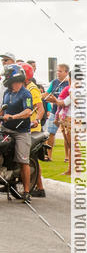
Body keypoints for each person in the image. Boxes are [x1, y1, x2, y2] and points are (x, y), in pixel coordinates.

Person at [1, 64, 33, 202]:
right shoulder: (7, 93)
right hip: (5, 128)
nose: (5, 77)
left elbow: (28, 111)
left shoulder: (25, 93)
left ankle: (26, 191)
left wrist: (13, 117)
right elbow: (3, 110)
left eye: (7, 74)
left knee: (22, 160)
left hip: (21, 132)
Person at [21, 63, 46, 197]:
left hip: (32, 128)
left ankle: (40, 188)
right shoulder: (21, 88)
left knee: (30, 158)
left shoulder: (32, 89)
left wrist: (35, 120)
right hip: (23, 126)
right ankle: (39, 187)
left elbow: (40, 108)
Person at [42, 63, 69, 160]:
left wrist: (55, 100)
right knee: (50, 133)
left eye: (60, 71)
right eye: (57, 71)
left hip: (66, 113)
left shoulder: (69, 83)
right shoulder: (54, 82)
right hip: (54, 111)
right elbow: (46, 95)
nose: (58, 73)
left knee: (66, 135)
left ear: (66, 72)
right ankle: (49, 156)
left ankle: (67, 157)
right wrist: (54, 100)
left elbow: (69, 100)